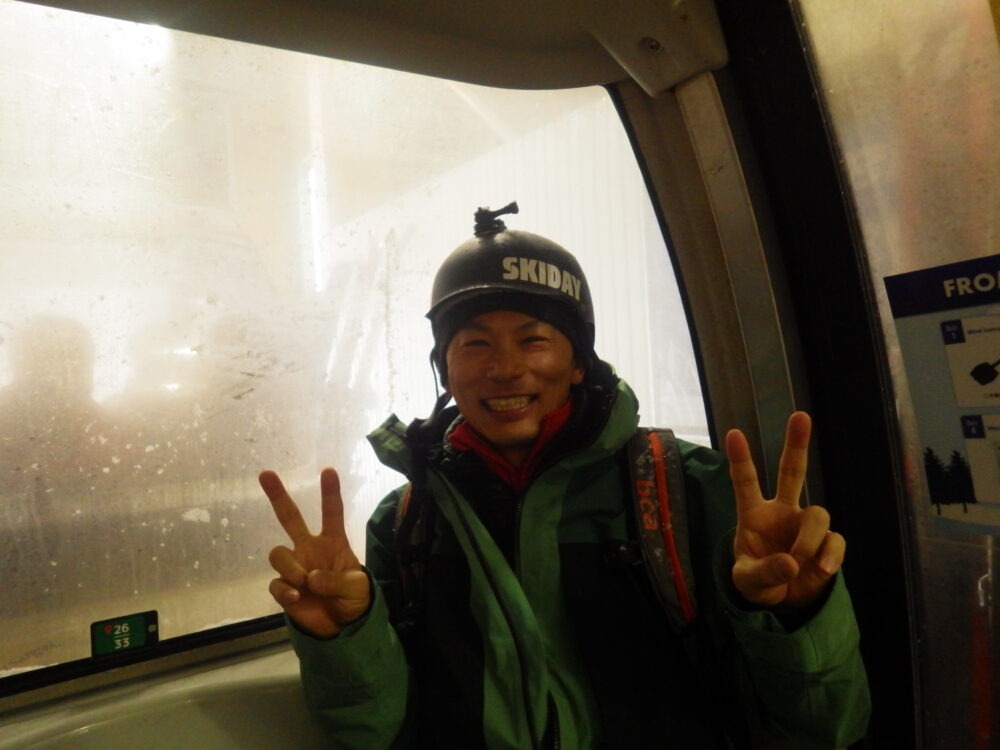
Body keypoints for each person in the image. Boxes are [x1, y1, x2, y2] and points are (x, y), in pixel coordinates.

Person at [260, 204, 872, 749]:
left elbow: (826, 730)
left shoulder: (682, 490)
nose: (505, 368)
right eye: (474, 344)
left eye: (534, 340)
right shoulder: (407, 521)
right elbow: (378, 733)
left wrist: (796, 618)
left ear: (578, 362)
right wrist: (345, 638)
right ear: (444, 369)